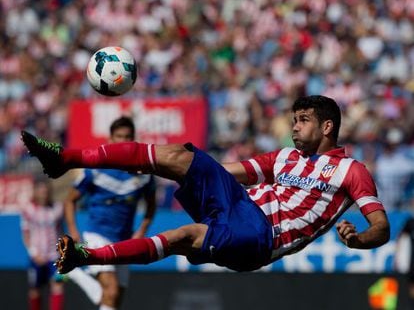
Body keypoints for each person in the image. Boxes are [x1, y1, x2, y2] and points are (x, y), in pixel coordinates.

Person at [21, 95, 390, 274]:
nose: (294, 126)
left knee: (185, 235)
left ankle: (88, 256)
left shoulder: (351, 171)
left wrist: (358, 239)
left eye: (304, 119)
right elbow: (223, 171)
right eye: (293, 119)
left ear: (327, 127)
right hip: (239, 205)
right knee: (182, 156)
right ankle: (63, 160)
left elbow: (381, 228)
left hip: (262, 235)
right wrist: (161, 167)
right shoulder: (283, 157)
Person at [63, 116, 157, 310]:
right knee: (111, 290)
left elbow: (151, 206)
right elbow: (70, 200)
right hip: (97, 234)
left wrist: (141, 231)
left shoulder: (144, 174)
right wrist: (74, 231)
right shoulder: (95, 169)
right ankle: (78, 271)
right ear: (110, 140)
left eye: (128, 137)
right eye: (119, 136)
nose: (123, 141)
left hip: (124, 240)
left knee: (114, 299)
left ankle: (77, 273)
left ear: (134, 140)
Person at [21, 179, 64, 310]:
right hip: (37, 256)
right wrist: (34, 253)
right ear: (35, 192)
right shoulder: (28, 209)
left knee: (58, 286)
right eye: (41, 191)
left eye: (46, 191)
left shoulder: (57, 208)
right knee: (35, 289)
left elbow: (61, 231)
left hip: (54, 256)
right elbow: (26, 234)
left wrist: (62, 253)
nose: (44, 194)